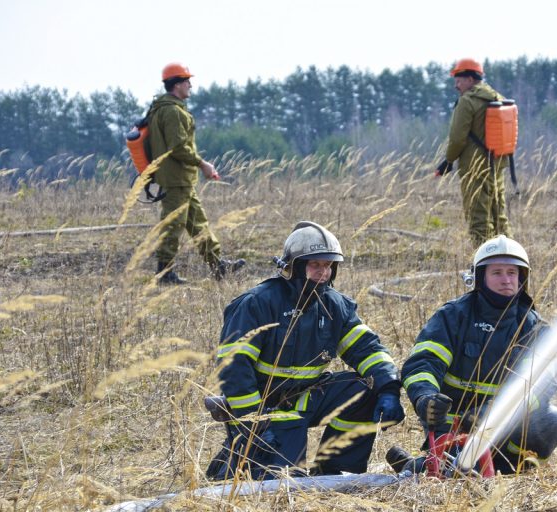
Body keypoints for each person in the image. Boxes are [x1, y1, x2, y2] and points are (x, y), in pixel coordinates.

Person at [206, 221, 405, 480]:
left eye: (328, 266)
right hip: (266, 409)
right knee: (283, 482)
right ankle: (229, 469)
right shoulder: (256, 304)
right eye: (315, 265)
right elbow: (234, 370)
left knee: (363, 390)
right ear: (294, 267)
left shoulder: (335, 306)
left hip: (308, 397)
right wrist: (254, 423)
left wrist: (388, 389)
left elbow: (368, 350)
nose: (324, 273)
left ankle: (335, 471)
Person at [399, 235, 557, 473]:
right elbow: (423, 363)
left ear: (522, 277)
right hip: (453, 423)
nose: (506, 280)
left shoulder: (532, 326)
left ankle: (507, 472)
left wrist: (494, 411)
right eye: (497, 272)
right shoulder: (453, 316)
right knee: (452, 470)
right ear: (480, 277)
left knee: (552, 420)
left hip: (504, 423)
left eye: (512, 272)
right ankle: (424, 467)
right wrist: (425, 397)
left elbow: (541, 385)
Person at [148, 62, 245, 284]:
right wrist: (203, 164)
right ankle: (164, 274)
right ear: (177, 85)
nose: (190, 85)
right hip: (176, 180)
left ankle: (218, 265)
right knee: (172, 225)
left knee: (198, 223)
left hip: (181, 179)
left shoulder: (167, 108)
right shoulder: (172, 111)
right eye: (186, 81)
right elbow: (178, 147)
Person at [435, 58, 512, 248]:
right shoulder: (498, 98)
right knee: (499, 216)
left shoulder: (467, 102)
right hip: (497, 165)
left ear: (470, 79)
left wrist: (448, 160)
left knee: (479, 219)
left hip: (474, 167)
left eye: (459, 80)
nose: (456, 85)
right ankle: (511, 259)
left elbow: (457, 138)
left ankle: (484, 263)